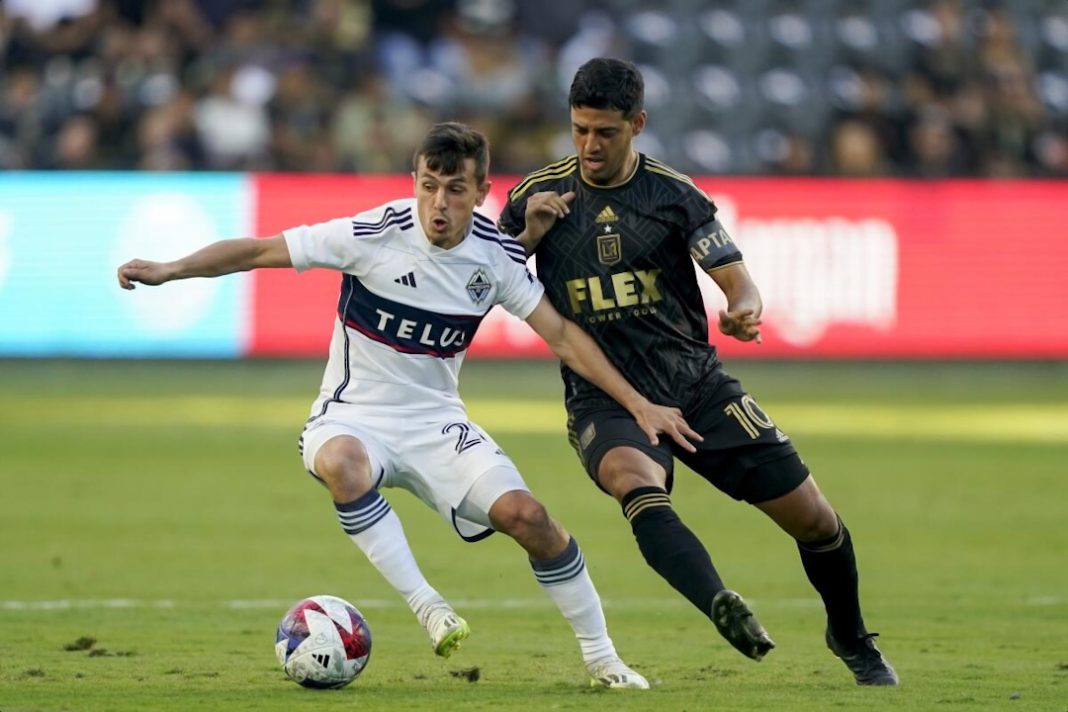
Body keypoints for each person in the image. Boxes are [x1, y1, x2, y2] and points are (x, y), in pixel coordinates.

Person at [117, 122, 701, 689]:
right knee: (342, 463)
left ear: (481, 192)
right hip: (352, 414)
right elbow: (258, 249)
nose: (438, 203)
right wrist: (172, 269)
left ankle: (604, 660)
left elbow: (565, 337)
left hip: (437, 423)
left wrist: (637, 402)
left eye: (454, 189)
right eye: (428, 185)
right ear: (414, 180)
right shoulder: (374, 234)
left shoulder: (496, 257)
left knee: (531, 519)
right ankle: (429, 607)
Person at [497, 58, 899, 687]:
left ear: (638, 124)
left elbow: (736, 280)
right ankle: (719, 602)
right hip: (604, 400)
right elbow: (485, 281)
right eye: (579, 131)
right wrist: (526, 236)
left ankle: (848, 633)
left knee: (816, 520)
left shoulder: (672, 194)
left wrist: (744, 309)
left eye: (605, 133)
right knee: (635, 482)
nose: (589, 146)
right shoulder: (536, 195)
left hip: (698, 388)